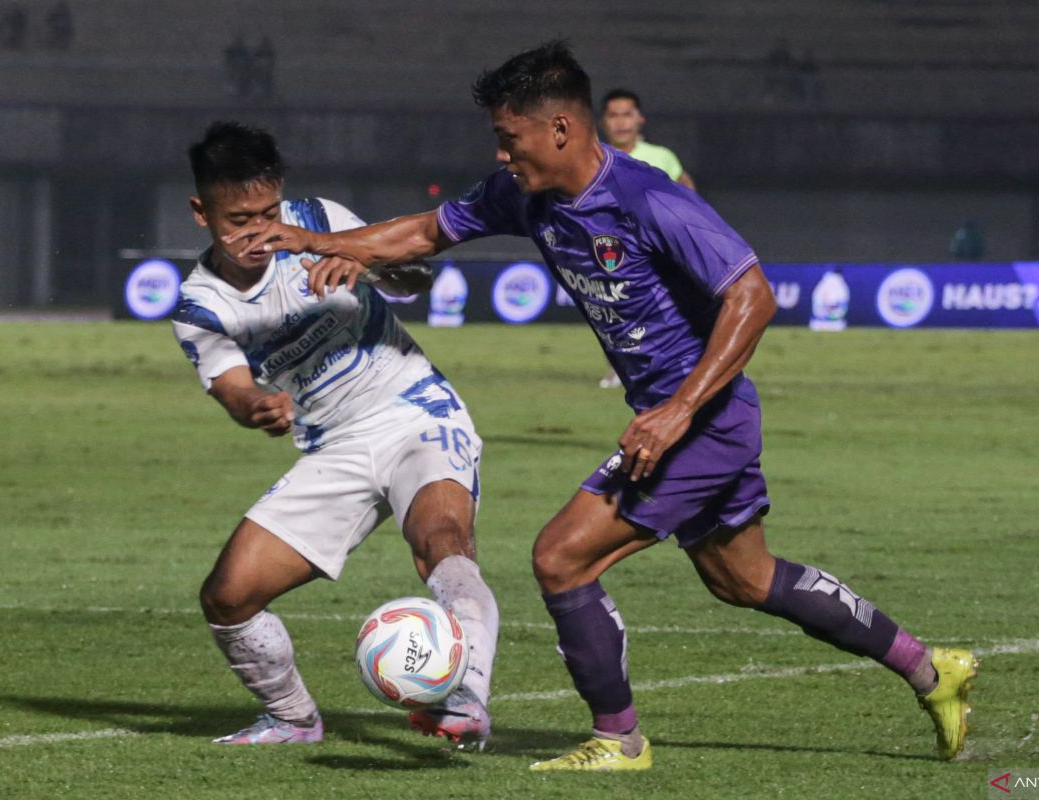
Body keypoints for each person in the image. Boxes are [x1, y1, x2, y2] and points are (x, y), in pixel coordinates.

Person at [221, 42, 977, 771]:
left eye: (510, 139)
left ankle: (619, 740)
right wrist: (315, 240)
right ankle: (928, 668)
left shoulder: (649, 199)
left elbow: (753, 295)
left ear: (561, 127)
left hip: (698, 422)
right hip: (680, 420)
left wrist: (677, 411)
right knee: (744, 580)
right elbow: (423, 233)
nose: (501, 156)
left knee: (560, 556)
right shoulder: (524, 196)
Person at [173, 121, 499, 749]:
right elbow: (232, 389)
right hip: (335, 444)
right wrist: (256, 407)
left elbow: (414, 280)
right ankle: (292, 719)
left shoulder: (316, 219)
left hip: (415, 409)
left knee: (443, 542)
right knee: (229, 596)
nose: (258, 233)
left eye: (267, 212)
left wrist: (358, 258)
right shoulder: (200, 306)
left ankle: (467, 700)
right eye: (238, 219)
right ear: (200, 212)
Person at [597, 87, 694, 389]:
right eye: (614, 115)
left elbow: (686, 189)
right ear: (603, 121)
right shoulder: (594, 158)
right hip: (611, 250)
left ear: (640, 119)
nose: (621, 122)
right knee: (614, 310)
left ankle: (683, 366)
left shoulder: (660, 157)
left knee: (668, 310)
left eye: (627, 114)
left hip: (658, 250)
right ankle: (621, 368)